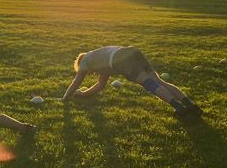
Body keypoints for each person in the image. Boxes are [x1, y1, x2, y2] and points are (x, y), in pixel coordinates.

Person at [61, 46, 202, 122]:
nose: (89, 73)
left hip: (122, 60)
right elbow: (100, 85)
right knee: (159, 81)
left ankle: (179, 108)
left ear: (81, 64)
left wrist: (65, 97)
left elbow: (76, 81)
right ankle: (190, 105)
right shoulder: (99, 59)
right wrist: (83, 94)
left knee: (149, 83)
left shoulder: (85, 61)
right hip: (133, 51)